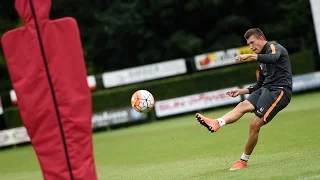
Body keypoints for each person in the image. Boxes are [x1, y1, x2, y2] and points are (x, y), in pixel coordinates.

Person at [195, 28, 292, 170]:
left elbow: (273, 58)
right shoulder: (261, 60)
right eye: (249, 45)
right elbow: (259, 85)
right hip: (265, 90)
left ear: (261, 38)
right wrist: (241, 91)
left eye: (253, 43)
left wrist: (249, 56)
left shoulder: (274, 47)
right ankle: (217, 122)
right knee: (242, 106)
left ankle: (243, 161)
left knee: (254, 124)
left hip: (280, 91)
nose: (252, 47)